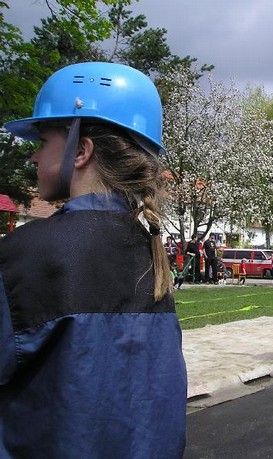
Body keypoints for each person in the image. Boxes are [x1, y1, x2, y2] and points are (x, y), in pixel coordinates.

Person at [0, 62, 186, 457]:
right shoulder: (148, 249)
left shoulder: (23, 254)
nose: (33, 157)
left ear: (81, 150)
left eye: (43, 140)